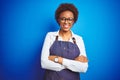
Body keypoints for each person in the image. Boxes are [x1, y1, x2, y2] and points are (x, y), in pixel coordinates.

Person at [41, 3, 88, 80]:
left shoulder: (79, 39)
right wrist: (72, 65)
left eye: (70, 19)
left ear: (74, 20)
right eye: (63, 18)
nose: (66, 22)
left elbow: (83, 68)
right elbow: (44, 63)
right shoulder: (50, 36)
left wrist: (59, 60)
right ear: (58, 20)